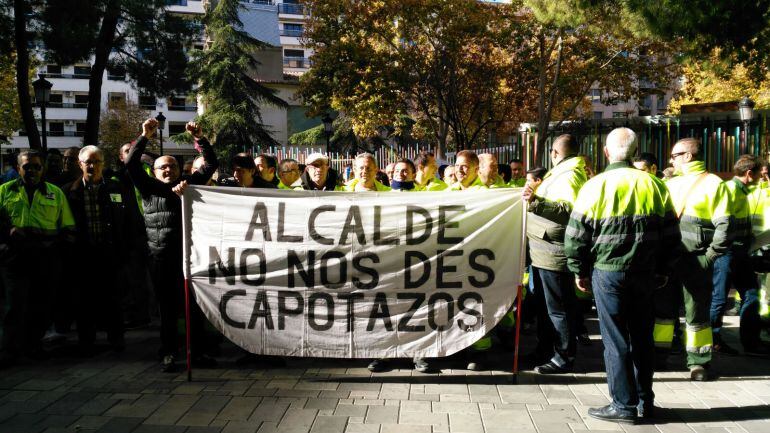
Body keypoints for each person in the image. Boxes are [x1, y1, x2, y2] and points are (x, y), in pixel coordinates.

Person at [566, 127, 680, 424]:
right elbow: (671, 234)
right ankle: (645, 402)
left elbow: (576, 236)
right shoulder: (655, 185)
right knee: (642, 338)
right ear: (634, 151)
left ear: (606, 152)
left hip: (608, 273)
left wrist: (579, 270)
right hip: (645, 273)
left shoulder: (594, 186)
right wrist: (664, 270)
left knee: (615, 340)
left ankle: (623, 405)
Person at [126, 118, 219, 373]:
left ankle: (197, 352)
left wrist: (199, 138)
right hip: (161, 258)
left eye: (172, 167)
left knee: (194, 308)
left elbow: (212, 164)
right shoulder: (148, 188)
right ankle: (168, 352)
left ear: (179, 170)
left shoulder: (189, 186)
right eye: (163, 168)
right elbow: (130, 164)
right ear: (154, 173)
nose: (168, 170)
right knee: (167, 310)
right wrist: (144, 135)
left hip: (190, 258)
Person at [659, 137, 733, 381]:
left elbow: (724, 225)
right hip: (670, 259)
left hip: (695, 259)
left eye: (675, 155)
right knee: (663, 309)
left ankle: (699, 362)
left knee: (696, 312)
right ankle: (658, 355)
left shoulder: (713, 183)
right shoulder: (670, 183)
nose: (671, 160)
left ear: (689, 156)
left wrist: (710, 256)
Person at [0, 151, 75, 367]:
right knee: (15, 305)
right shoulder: (5, 191)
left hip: (45, 255)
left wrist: (56, 247)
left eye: (36, 167)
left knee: (41, 304)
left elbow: (68, 226)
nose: (31, 171)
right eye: (27, 167)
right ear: (18, 167)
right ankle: (9, 350)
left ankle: (33, 345)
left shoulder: (55, 193)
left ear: (42, 168)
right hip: (15, 257)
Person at [63, 146, 140, 354]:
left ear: (102, 164)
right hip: (82, 255)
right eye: (88, 161)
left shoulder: (117, 189)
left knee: (114, 299)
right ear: (80, 164)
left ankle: (116, 339)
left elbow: (131, 221)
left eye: (96, 161)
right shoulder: (68, 191)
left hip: (111, 254)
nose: (92, 165)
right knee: (84, 300)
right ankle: (86, 341)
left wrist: (127, 250)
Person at [522, 134, 587, 374]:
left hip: (553, 253)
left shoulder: (568, 175)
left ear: (555, 153)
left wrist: (537, 202)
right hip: (543, 253)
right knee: (545, 307)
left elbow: (570, 211)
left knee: (558, 309)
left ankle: (564, 356)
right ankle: (545, 350)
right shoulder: (562, 173)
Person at [710, 155, 767, 355]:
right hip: (728, 252)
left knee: (751, 294)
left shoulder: (743, 191)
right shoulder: (730, 190)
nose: (762, 177)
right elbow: (723, 223)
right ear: (749, 173)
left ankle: (751, 342)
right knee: (719, 298)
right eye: (761, 173)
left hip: (740, 251)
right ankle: (714, 340)